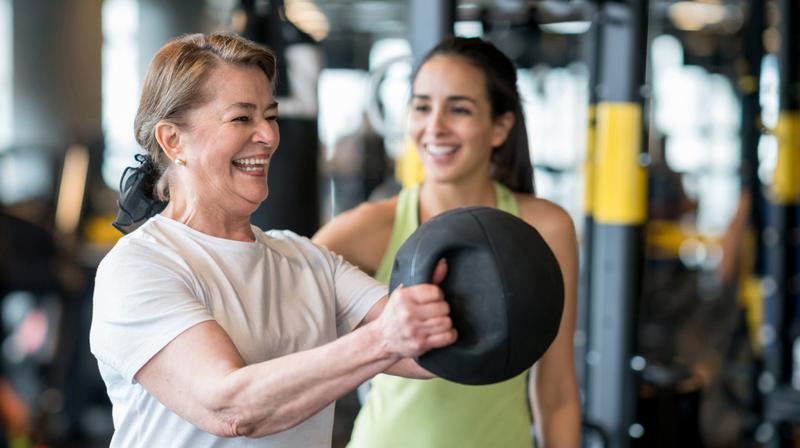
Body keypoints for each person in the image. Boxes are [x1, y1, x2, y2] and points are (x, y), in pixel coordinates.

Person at [89, 32, 457, 448]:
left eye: (271, 115)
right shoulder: (141, 267)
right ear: (173, 140)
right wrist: (383, 338)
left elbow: (420, 350)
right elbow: (229, 407)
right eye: (242, 118)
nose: (268, 135)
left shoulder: (307, 260)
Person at [313, 36, 581, 447]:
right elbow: (288, 332)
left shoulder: (545, 228)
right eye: (422, 106)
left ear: (500, 127)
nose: (434, 126)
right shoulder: (370, 227)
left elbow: (557, 391)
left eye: (459, 109)